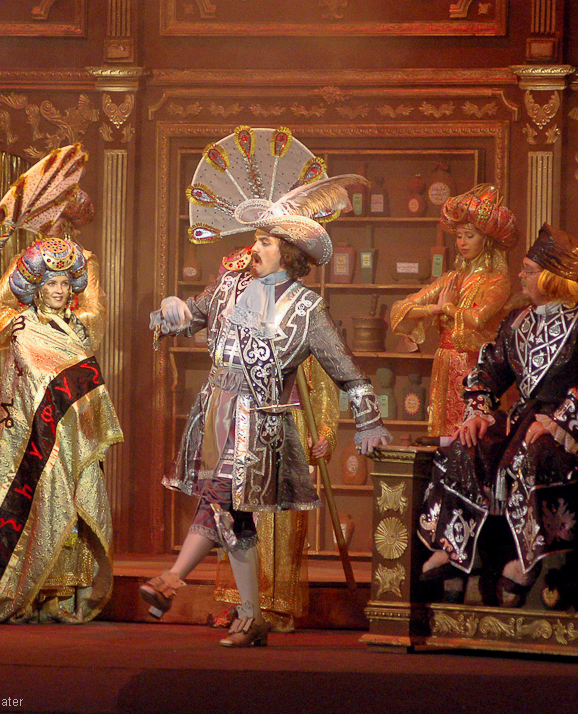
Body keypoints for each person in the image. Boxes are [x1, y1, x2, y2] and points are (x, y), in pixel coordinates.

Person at [144, 186, 392, 647]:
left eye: (266, 242)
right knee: (236, 519)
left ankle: (171, 579)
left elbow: (347, 371)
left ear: (289, 254)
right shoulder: (228, 287)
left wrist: (368, 421)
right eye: (257, 239)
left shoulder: (307, 309)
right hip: (216, 414)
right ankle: (253, 617)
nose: (255, 248)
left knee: (221, 496)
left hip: (261, 425)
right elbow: (185, 318)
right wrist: (169, 310)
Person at [417, 223, 578, 607]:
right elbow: (488, 372)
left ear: (551, 276)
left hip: (577, 423)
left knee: (536, 453)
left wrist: (558, 421)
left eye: (528, 270)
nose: (521, 276)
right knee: (466, 444)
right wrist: (478, 412)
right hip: (525, 418)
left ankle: (532, 562)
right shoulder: (517, 321)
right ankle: (456, 551)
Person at [0, 225, 123, 625]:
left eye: (65, 283)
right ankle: (21, 593)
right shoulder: (23, 324)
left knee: (70, 504)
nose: (59, 290)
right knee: (33, 500)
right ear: (37, 288)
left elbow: (94, 315)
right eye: (51, 284)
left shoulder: (79, 325)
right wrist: (4, 324)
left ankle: (59, 595)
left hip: (72, 432)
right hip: (27, 435)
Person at [212, 350, 339, 634]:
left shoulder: (304, 335)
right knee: (242, 511)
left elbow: (324, 393)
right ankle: (243, 602)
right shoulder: (247, 333)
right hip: (247, 421)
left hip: (289, 425)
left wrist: (324, 434)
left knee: (280, 523)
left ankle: (276, 604)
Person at [390, 184, 517, 437]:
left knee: (474, 432)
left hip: (477, 366)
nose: (462, 243)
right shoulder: (451, 278)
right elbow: (401, 308)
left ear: (486, 240)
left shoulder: (497, 281)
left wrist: (448, 308)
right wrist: (433, 308)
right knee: (444, 433)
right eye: (458, 236)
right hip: (445, 362)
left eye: (469, 236)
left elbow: (478, 318)